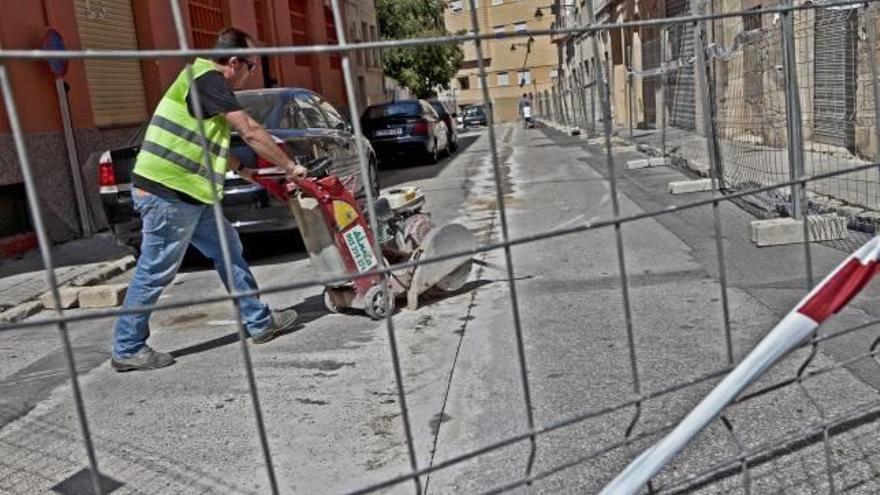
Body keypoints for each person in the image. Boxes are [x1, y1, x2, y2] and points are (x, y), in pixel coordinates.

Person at [111, 27, 308, 372]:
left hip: (190, 195)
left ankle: (259, 322)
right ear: (233, 62)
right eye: (250, 65)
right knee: (155, 269)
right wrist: (290, 165)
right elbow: (249, 130)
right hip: (167, 193)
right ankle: (127, 346)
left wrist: (242, 169)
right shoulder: (208, 79)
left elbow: (204, 142)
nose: (251, 73)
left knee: (228, 249)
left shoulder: (206, 85)